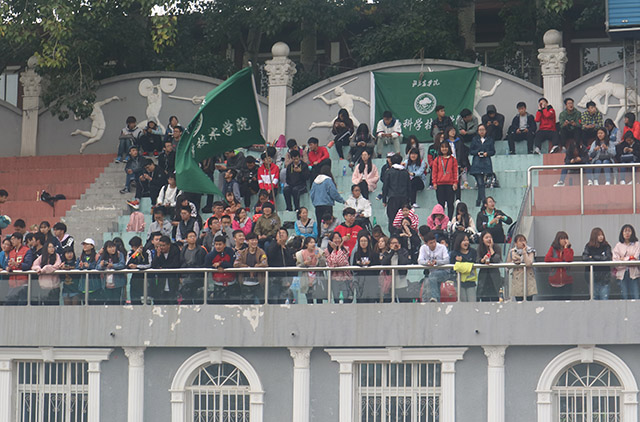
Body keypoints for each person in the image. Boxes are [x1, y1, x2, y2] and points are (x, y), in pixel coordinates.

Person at [234, 232, 268, 304]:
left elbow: (265, 263)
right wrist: (247, 267)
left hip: (258, 283)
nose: (254, 242)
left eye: (255, 240)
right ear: (247, 241)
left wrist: (256, 267)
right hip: (245, 283)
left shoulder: (261, 252)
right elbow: (236, 264)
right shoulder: (242, 252)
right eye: (252, 240)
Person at [204, 235, 238, 303]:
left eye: (220, 244)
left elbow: (232, 265)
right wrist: (216, 267)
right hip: (217, 284)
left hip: (231, 283)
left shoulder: (230, 252)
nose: (218, 246)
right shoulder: (210, 255)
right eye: (216, 244)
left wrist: (221, 264)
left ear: (224, 245)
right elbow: (206, 267)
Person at [418, 231, 450, 302]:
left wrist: (437, 262)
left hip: (444, 272)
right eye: (431, 243)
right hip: (431, 273)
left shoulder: (442, 247)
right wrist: (427, 263)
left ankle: (434, 297)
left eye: (434, 242)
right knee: (432, 281)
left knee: (433, 276)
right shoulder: (423, 248)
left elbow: (447, 260)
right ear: (426, 243)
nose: (433, 244)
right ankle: (436, 301)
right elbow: (420, 260)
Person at [582, 227, 612, 300]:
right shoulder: (589, 246)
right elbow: (585, 258)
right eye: (599, 235)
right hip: (592, 278)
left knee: (604, 299)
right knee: (594, 298)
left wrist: (593, 257)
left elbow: (608, 258)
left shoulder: (606, 246)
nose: (601, 237)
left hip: (604, 278)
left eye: (602, 235)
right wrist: (600, 257)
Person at [266, 228, 296, 302]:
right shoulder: (272, 245)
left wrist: (290, 280)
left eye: (283, 233)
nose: (281, 234)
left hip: (286, 280)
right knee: (274, 300)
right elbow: (270, 254)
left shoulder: (289, 249)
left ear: (287, 236)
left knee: (283, 300)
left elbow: (291, 264)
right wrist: (277, 244)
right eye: (279, 233)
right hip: (274, 279)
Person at [382, 154, 410, 231]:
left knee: (392, 219)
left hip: (392, 198)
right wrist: (409, 200)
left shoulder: (389, 172)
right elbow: (409, 187)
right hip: (404, 198)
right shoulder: (405, 172)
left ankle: (393, 235)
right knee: (404, 219)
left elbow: (385, 186)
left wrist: (384, 199)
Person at [469, 124, 495, 207]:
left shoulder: (490, 139)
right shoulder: (474, 139)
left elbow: (493, 151)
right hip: (477, 163)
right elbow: (471, 151)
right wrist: (477, 152)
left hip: (486, 162)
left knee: (482, 183)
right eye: (480, 130)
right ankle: (484, 201)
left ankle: (479, 200)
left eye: (483, 129)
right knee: (480, 183)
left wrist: (487, 153)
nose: (481, 131)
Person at [351, 232, 381, 302]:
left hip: (372, 281)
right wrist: (360, 264)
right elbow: (354, 269)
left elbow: (378, 268)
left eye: (365, 241)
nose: (363, 243)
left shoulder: (374, 254)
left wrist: (370, 264)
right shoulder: (356, 254)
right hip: (361, 282)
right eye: (361, 241)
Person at [431, 141, 458, 219]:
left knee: (450, 203)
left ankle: (449, 219)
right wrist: (434, 182)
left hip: (450, 184)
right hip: (439, 184)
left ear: (449, 148)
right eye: (442, 147)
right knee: (440, 204)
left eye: (446, 147)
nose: (444, 149)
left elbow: (455, 172)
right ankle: (441, 220)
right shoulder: (437, 159)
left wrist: (455, 182)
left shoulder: (453, 159)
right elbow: (434, 172)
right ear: (440, 148)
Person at [544, 231, 574, 300]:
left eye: (566, 238)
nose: (564, 240)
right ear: (558, 240)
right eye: (562, 238)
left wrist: (566, 248)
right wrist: (559, 261)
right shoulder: (552, 249)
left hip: (567, 281)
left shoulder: (570, 250)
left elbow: (569, 259)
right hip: (554, 280)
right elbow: (547, 259)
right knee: (556, 300)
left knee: (567, 300)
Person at [151, 236, 181, 304]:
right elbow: (154, 266)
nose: (162, 247)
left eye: (163, 245)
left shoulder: (175, 251)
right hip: (161, 281)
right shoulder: (158, 251)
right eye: (160, 245)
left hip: (172, 280)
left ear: (168, 245)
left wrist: (163, 267)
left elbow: (175, 265)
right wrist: (157, 256)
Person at [6, 232, 34, 305]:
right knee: (10, 304)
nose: (12, 241)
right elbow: (7, 264)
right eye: (11, 239)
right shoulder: (11, 252)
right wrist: (8, 268)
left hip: (23, 284)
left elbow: (28, 265)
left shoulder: (27, 251)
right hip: (12, 284)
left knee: (22, 304)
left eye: (13, 239)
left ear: (19, 240)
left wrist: (17, 264)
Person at [296, 237, 327, 303]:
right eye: (311, 242)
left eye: (314, 242)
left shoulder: (319, 251)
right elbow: (298, 266)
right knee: (309, 301)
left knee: (319, 300)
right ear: (306, 244)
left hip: (318, 279)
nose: (313, 244)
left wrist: (320, 258)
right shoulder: (301, 253)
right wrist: (305, 263)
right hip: (307, 279)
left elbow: (324, 265)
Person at [613, 224, 640, 300]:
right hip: (622, 274)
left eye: (629, 231)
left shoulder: (637, 244)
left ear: (632, 232)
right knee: (624, 296)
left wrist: (623, 259)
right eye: (625, 231)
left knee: (636, 296)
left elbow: (635, 258)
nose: (627, 233)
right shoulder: (618, 246)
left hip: (634, 274)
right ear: (622, 233)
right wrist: (629, 258)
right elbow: (615, 261)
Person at [325, 231, 354, 301]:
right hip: (334, 278)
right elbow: (332, 264)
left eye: (339, 238)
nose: (337, 240)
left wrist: (339, 249)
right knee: (336, 299)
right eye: (335, 238)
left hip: (345, 278)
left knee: (346, 299)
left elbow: (342, 263)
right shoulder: (326, 251)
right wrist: (335, 250)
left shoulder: (346, 249)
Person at [507, 234, 537, 300]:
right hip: (517, 280)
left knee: (529, 299)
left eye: (524, 240)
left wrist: (524, 253)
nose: (522, 242)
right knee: (518, 300)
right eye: (520, 241)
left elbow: (528, 263)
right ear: (515, 243)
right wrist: (514, 261)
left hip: (528, 278)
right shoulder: (512, 251)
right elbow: (507, 266)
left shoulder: (531, 251)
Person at [450, 233, 477, 302]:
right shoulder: (454, 253)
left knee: (472, 301)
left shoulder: (473, 252)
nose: (466, 242)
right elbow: (453, 268)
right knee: (463, 301)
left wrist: (462, 260)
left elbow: (473, 263)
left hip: (470, 281)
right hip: (459, 282)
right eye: (464, 240)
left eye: (467, 240)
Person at [476, 231, 502, 301]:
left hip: (494, 276)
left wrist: (491, 248)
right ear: (482, 240)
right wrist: (483, 260)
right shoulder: (480, 248)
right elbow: (477, 260)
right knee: (485, 299)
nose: (489, 239)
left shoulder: (497, 247)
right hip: (484, 277)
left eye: (490, 237)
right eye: (486, 238)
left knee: (495, 298)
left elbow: (497, 259)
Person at [97, 240, 126, 304]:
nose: (112, 249)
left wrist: (113, 265)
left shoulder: (119, 254)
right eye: (110, 247)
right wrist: (101, 265)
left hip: (117, 283)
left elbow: (122, 265)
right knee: (108, 302)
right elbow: (97, 267)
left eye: (113, 247)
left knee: (117, 302)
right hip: (106, 284)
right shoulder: (102, 256)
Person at [446, 125, 470, 195]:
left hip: (457, 164)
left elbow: (462, 154)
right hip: (448, 164)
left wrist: (462, 165)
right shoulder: (445, 142)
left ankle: (458, 198)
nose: (453, 132)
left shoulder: (459, 142)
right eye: (451, 131)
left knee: (457, 181)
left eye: (454, 131)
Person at [77, 238, 102, 303]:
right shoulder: (80, 257)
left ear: (92, 246)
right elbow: (76, 268)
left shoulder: (97, 257)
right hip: (83, 287)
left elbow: (98, 267)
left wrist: (89, 266)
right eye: (84, 244)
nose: (85, 246)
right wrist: (80, 267)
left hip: (94, 287)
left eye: (87, 244)